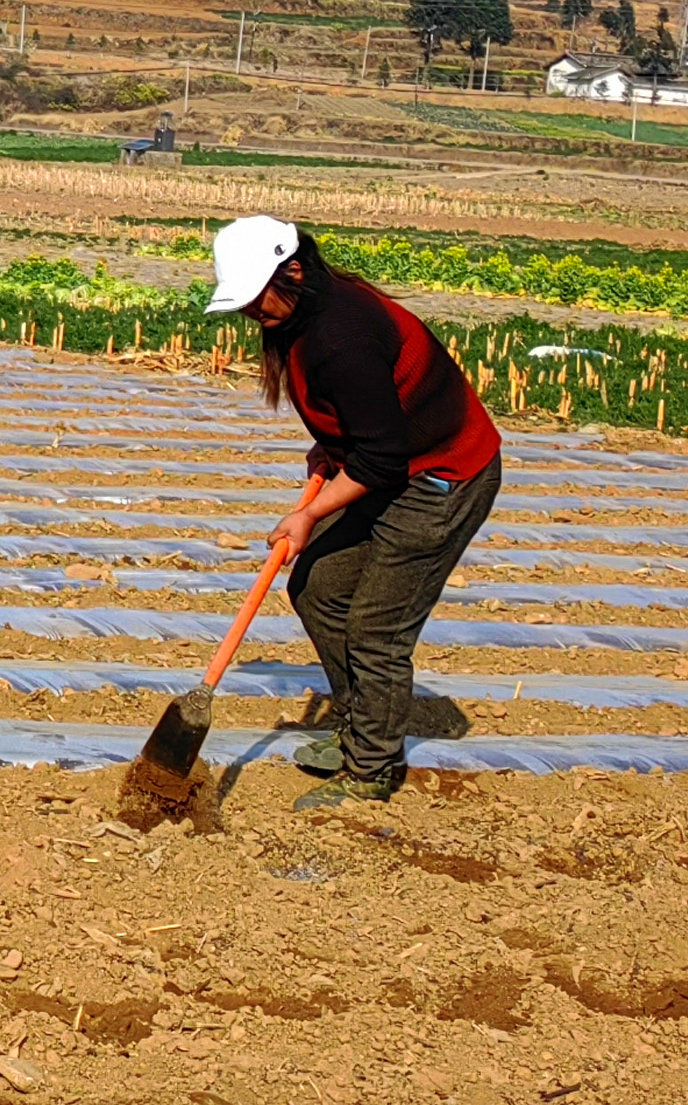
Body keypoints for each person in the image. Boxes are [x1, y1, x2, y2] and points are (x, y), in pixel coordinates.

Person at [202, 214, 501, 809]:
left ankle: (372, 767)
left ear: (292, 270)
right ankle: (358, 727)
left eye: (256, 296)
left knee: (376, 627)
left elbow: (384, 457)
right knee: (317, 587)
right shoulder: (301, 313)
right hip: (395, 463)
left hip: (440, 478)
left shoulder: (343, 335)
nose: (250, 312)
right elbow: (368, 422)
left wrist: (309, 516)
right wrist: (334, 443)